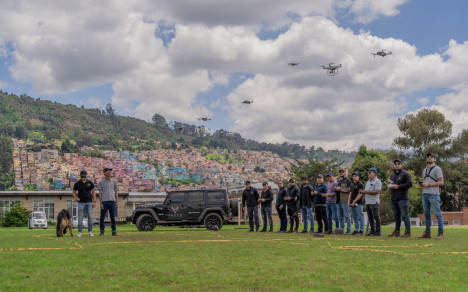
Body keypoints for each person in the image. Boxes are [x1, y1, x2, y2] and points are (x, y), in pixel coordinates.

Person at [418, 153, 445, 239]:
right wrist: (422, 184)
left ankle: (441, 233)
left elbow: (441, 182)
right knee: (426, 214)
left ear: (435, 159)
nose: (429, 158)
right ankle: (427, 233)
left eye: (431, 157)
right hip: (425, 194)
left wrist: (428, 185)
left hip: (434, 194)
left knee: (437, 214)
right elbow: (425, 181)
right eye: (428, 157)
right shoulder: (424, 170)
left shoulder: (437, 169)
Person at [388, 159, 413, 238]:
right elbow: (391, 183)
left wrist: (398, 186)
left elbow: (410, 183)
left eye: (398, 163)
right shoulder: (392, 175)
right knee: (396, 216)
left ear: (402, 165)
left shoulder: (406, 174)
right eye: (395, 164)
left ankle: (407, 232)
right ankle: (397, 231)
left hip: (402, 198)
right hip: (394, 198)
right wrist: (390, 186)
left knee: (404, 215)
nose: (397, 165)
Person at [72, 170, 96, 237]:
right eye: (82, 176)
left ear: (86, 176)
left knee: (90, 218)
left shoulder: (90, 183)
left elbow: (93, 192)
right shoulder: (77, 183)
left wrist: (94, 201)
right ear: (80, 176)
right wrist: (76, 198)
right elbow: (73, 192)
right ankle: (80, 232)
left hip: (89, 202)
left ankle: (90, 231)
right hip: (81, 203)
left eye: (84, 176)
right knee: (80, 218)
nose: (83, 178)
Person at [98, 168, 119, 236]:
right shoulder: (101, 182)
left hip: (112, 201)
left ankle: (114, 231)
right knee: (102, 217)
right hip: (104, 202)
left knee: (113, 217)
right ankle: (102, 231)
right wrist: (101, 203)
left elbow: (116, 192)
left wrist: (116, 202)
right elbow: (100, 193)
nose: (110, 172)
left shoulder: (114, 181)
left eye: (110, 171)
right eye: (108, 171)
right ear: (104, 173)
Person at [362, 168, 382, 236]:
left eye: (370, 172)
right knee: (370, 217)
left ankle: (378, 232)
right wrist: (363, 191)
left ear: (374, 174)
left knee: (376, 216)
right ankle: (372, 231)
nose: (368, 174)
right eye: (368, 172)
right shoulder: (368, 181)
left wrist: (366, 192)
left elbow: (377, 191)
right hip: (368, 201)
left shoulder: (377, 181)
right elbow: (366, 190)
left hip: (374, 202)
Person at [335, 168, 352, 234]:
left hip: (345, 200)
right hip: (338, 200)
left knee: (347, 216)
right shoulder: (338, 181)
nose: (341, 173)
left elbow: (350, 189)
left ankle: (349, 230)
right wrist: (335, 189)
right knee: (340, 216)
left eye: (342, 172)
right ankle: (341, 230)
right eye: (340, 172)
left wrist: (341, 189)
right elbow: (337, 189)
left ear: (345, 172)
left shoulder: (348, 180)